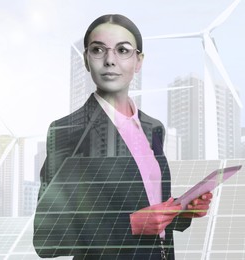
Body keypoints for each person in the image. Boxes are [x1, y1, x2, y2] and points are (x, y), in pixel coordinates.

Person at [33, 14, 212, 260]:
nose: (109, 60)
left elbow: (148, 208)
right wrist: (132, 225)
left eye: (122, 50)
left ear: (138, 61)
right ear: (86, 59)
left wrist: (181, 211)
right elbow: (47, 238)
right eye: (98, 50)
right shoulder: (68, 131)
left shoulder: (153, 128)